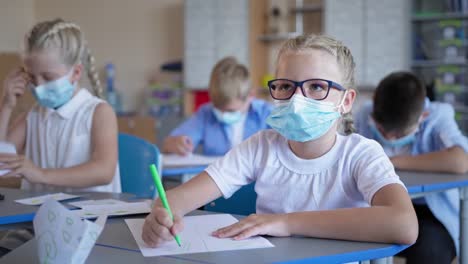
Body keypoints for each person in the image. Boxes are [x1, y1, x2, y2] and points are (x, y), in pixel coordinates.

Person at [142, 34, 418, 247]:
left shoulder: (361, 154)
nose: (298, 100)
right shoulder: (260, 146)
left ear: (346, 101)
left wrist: (286, 223)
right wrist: (161, 216)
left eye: (317, 87)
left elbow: (404, 224)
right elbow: (175, 201)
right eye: (286, 86)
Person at [0, 18, 120, 256]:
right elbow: (1, 162)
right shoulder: (33, 115)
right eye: (32, 78)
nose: (38, 85)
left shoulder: (98, 111)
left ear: (76, 72)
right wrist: (6, 105)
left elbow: (104, 170)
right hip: (37, 225)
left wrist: (40, 174)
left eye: (48, 76)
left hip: (89, 227)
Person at [355, 71, 468, 264]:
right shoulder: (366, 113)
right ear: (373, 102)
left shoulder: (438, 116)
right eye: (382, 130)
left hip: (429, 212)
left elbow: (460, 161)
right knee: (361, 243)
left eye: (398, 134)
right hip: (380, 206)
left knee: (431, 251)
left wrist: (392, 161)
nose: (389, 138)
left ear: (423, 116)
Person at [163, 57, 272, 156]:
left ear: (250, 96)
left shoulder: (269, 115)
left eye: (230, 111)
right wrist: (177, 143)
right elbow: (168, 144)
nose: (223, 115)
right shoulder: (206, 113)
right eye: (217, 108)